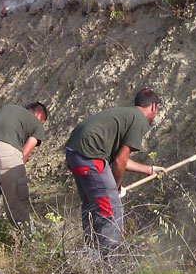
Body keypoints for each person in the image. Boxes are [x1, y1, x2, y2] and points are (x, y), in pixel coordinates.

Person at [64, 88, 165, 254]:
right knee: (111, 209)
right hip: (90, 157)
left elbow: (120, 158)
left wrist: (150, 169)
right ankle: (109, 264)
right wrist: (115, 188)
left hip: (74, 154)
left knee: (93, 206)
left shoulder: (125, 114)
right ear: (153, 106)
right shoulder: (139, 119)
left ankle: (89, 257)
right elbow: (119, 161)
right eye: (157, 110)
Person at [0, 101, 48, 226]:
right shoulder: (37, 123)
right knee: (16, 195)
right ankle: (23, 235)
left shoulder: (6, 109)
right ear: (39, 115)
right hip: (8, 148)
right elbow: (26, 151)